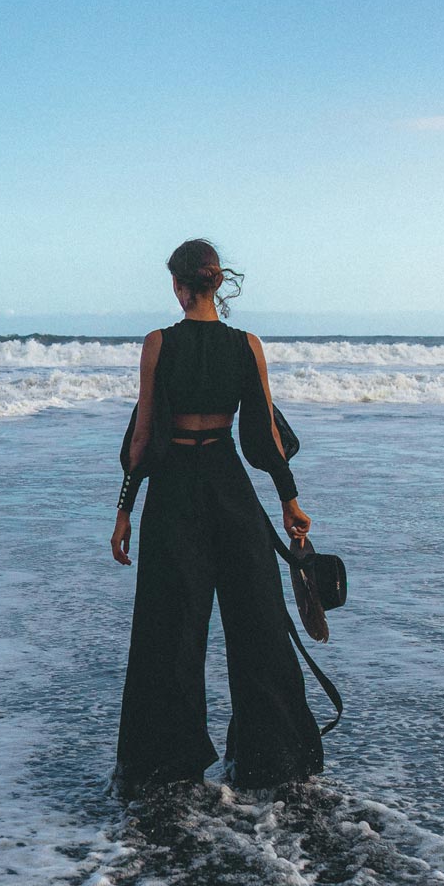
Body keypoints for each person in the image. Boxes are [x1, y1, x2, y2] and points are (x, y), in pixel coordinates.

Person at [110, 239, 325, 795]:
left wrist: (125, 507)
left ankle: (166, 767)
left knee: (169, 628)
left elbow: (142, 438)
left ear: (179, 286)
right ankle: (271, 762)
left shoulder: (158, 344)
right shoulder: (247, 345)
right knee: (257, 623)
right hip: (231, 487)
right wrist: (289, 499)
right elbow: (264, 435)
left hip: (176, 490)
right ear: (216, 283)